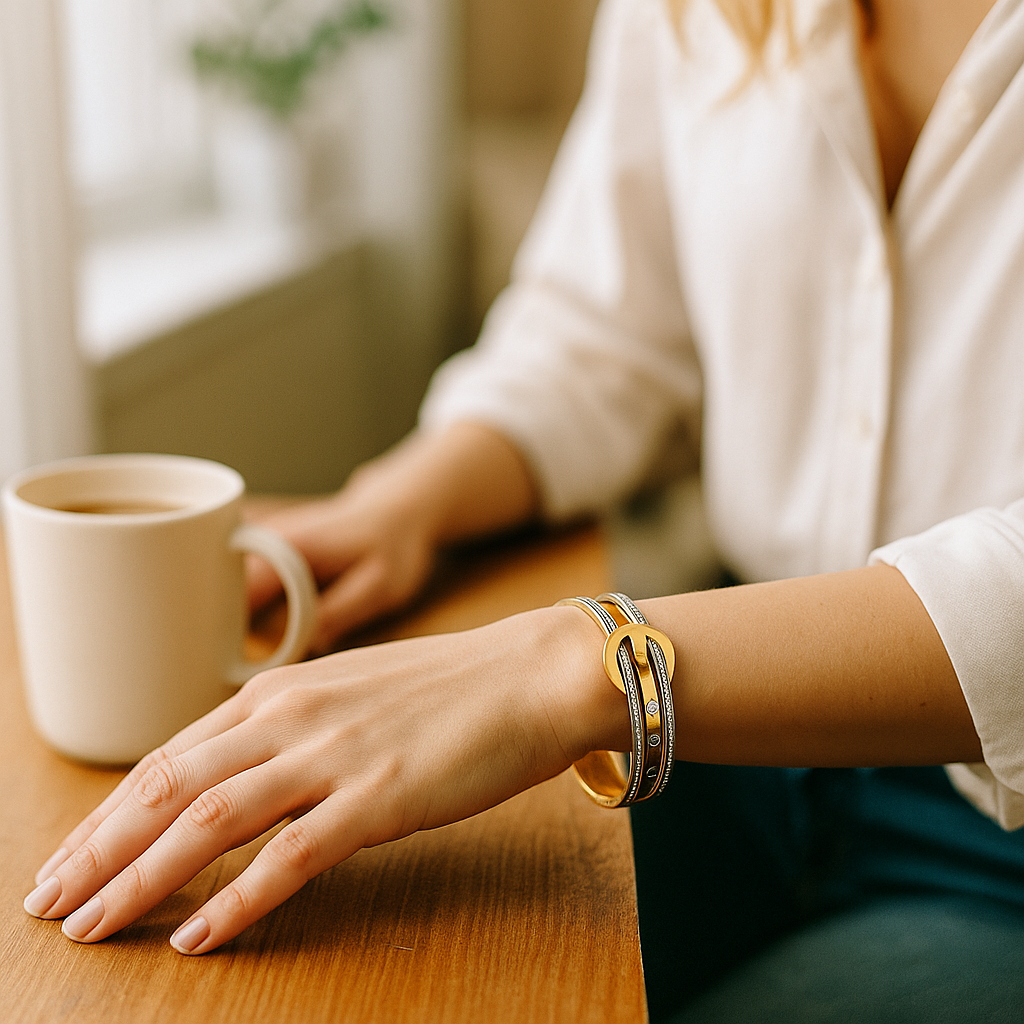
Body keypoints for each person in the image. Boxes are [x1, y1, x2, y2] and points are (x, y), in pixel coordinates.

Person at [23, 0, 1024, 1017]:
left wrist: (566, 665)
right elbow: (606, 326)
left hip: (991, 845)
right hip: (736, 759)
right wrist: (401, 502)